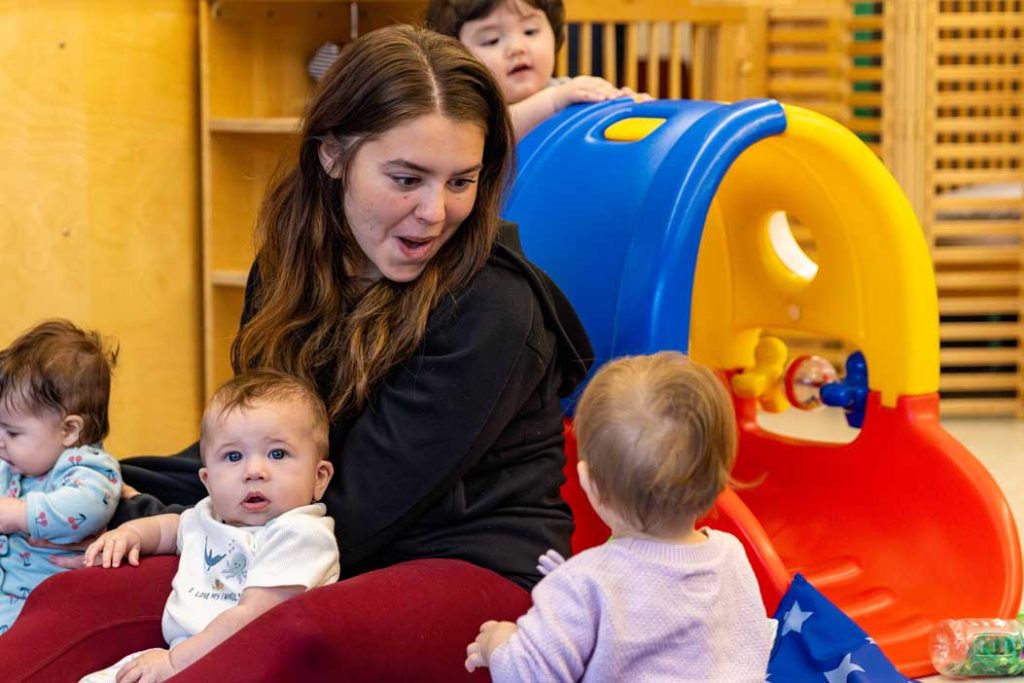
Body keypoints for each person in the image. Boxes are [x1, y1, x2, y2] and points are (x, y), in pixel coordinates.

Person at [0, 25, 592, 681]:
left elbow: (357, 508)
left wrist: (165, 526)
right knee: (79, 589)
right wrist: (113, 491)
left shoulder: (494, 310)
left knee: (285, 636)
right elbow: (259, 447)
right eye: (407, 178)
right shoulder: (285, 270)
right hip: (290, 536)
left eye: (462, 182)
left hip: (462, 561)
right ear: (332, 155)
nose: (434, 212)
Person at [465, 351, 777, 681]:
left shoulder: (584, 585)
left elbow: (527, 674)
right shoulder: (732, 555)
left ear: (588, 483)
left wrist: (501, 642)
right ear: (718, 478)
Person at [79, 370, 338, 683]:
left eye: (277, 453)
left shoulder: (301, 535)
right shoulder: (207, 516)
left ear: (319, 477)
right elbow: (171, 529)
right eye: (233, 456)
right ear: (208, 480)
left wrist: (175, 662)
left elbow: (254, 618)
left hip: (255, 663)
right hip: (186, 655)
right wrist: (130, 534)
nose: (254, 471)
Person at [0, 319, 121, 634]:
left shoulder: (88, 467)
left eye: (12, 432)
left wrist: (18, 515)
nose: (1, 440)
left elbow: (87, 507)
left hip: (41, 612)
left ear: (69, 430)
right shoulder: (14, 465)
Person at [425, 0, 637, 140]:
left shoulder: (565, 90)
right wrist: (552, 101)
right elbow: (493, 135)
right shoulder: (467, 108)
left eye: (530, 31)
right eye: (492, 40)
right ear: (456, 55)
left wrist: (625, 106)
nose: (517, 48)